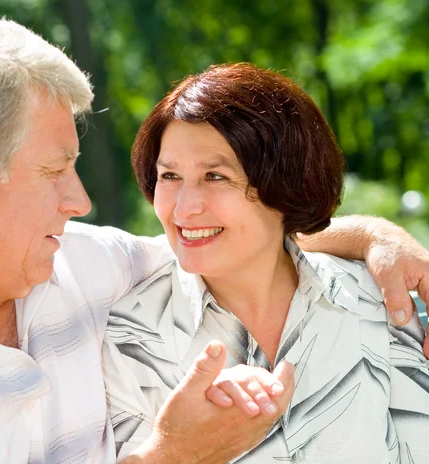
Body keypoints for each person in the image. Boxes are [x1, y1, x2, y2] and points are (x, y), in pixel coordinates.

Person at [0, 17, 427, 464]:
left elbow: (238, 242)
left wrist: (377, 240)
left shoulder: (77, 262)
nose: (79, 201)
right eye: (54, 169)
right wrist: (169, 456)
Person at [103, 63, 429, 463]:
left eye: (216, 176)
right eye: (169, 176)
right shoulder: (128, 340)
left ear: (284, 182)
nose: (184, 209)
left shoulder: (378, 301)